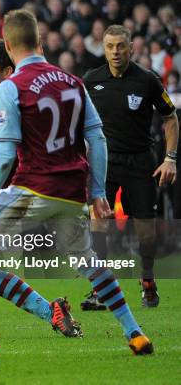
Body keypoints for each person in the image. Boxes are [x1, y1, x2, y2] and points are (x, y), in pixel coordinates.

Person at [0, 9, 153, 356]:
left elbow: (6, 152)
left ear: (7, 45)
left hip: (32, 189)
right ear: (40, 41)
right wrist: (97, 191)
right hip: (71, 192)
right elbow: (97, 138)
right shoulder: (73, 82)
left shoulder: (12, 87)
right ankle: (135, 332)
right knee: (88, 262)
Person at [81, 25, 178, 310]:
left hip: (141, 162)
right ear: (103, 47)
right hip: (105, 163)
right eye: (110, 46)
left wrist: (170, 158)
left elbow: (170, 118)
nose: (115, 51)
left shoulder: (147, 80)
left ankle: (147, 279)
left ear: (131, 47)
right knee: (99, 224)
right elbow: (76, 119)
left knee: (146, 234)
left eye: (120, 46)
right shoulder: (91, 80)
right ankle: (101, 288)